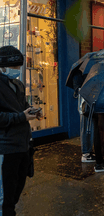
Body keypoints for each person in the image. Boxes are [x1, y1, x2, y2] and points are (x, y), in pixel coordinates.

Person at [0, 45, 42, 215]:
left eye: (18, 67)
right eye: (13, 67)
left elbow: (22, 107)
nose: (17, 70)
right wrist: (21, 117)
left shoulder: (17, 84)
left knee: (16, 191)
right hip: (6, 147)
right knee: (6, 197)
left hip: (23, 146)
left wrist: (32, 111)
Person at [72, 71, 104, 172]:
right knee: (88, 129)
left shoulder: (88, 71)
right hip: (88, 106)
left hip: (92, 105)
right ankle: (86, 154)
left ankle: (91, 154)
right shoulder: (80, 73)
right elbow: (78, 89)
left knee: (93, 130)